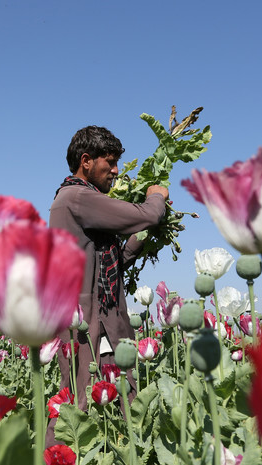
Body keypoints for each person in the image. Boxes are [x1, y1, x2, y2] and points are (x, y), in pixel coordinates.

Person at [47, 125, 168, 438]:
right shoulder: (78, 197)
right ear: (86, 161)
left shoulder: (77, 201)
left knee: (118, 393)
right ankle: (55, 456)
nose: (115, 171)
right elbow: (147, 214)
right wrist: (156, 197)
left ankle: (127, 452)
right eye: (110, 163)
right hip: (86, 321)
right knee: (77, 405)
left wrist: (139, 239)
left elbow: (109, 264)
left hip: (99, 318)